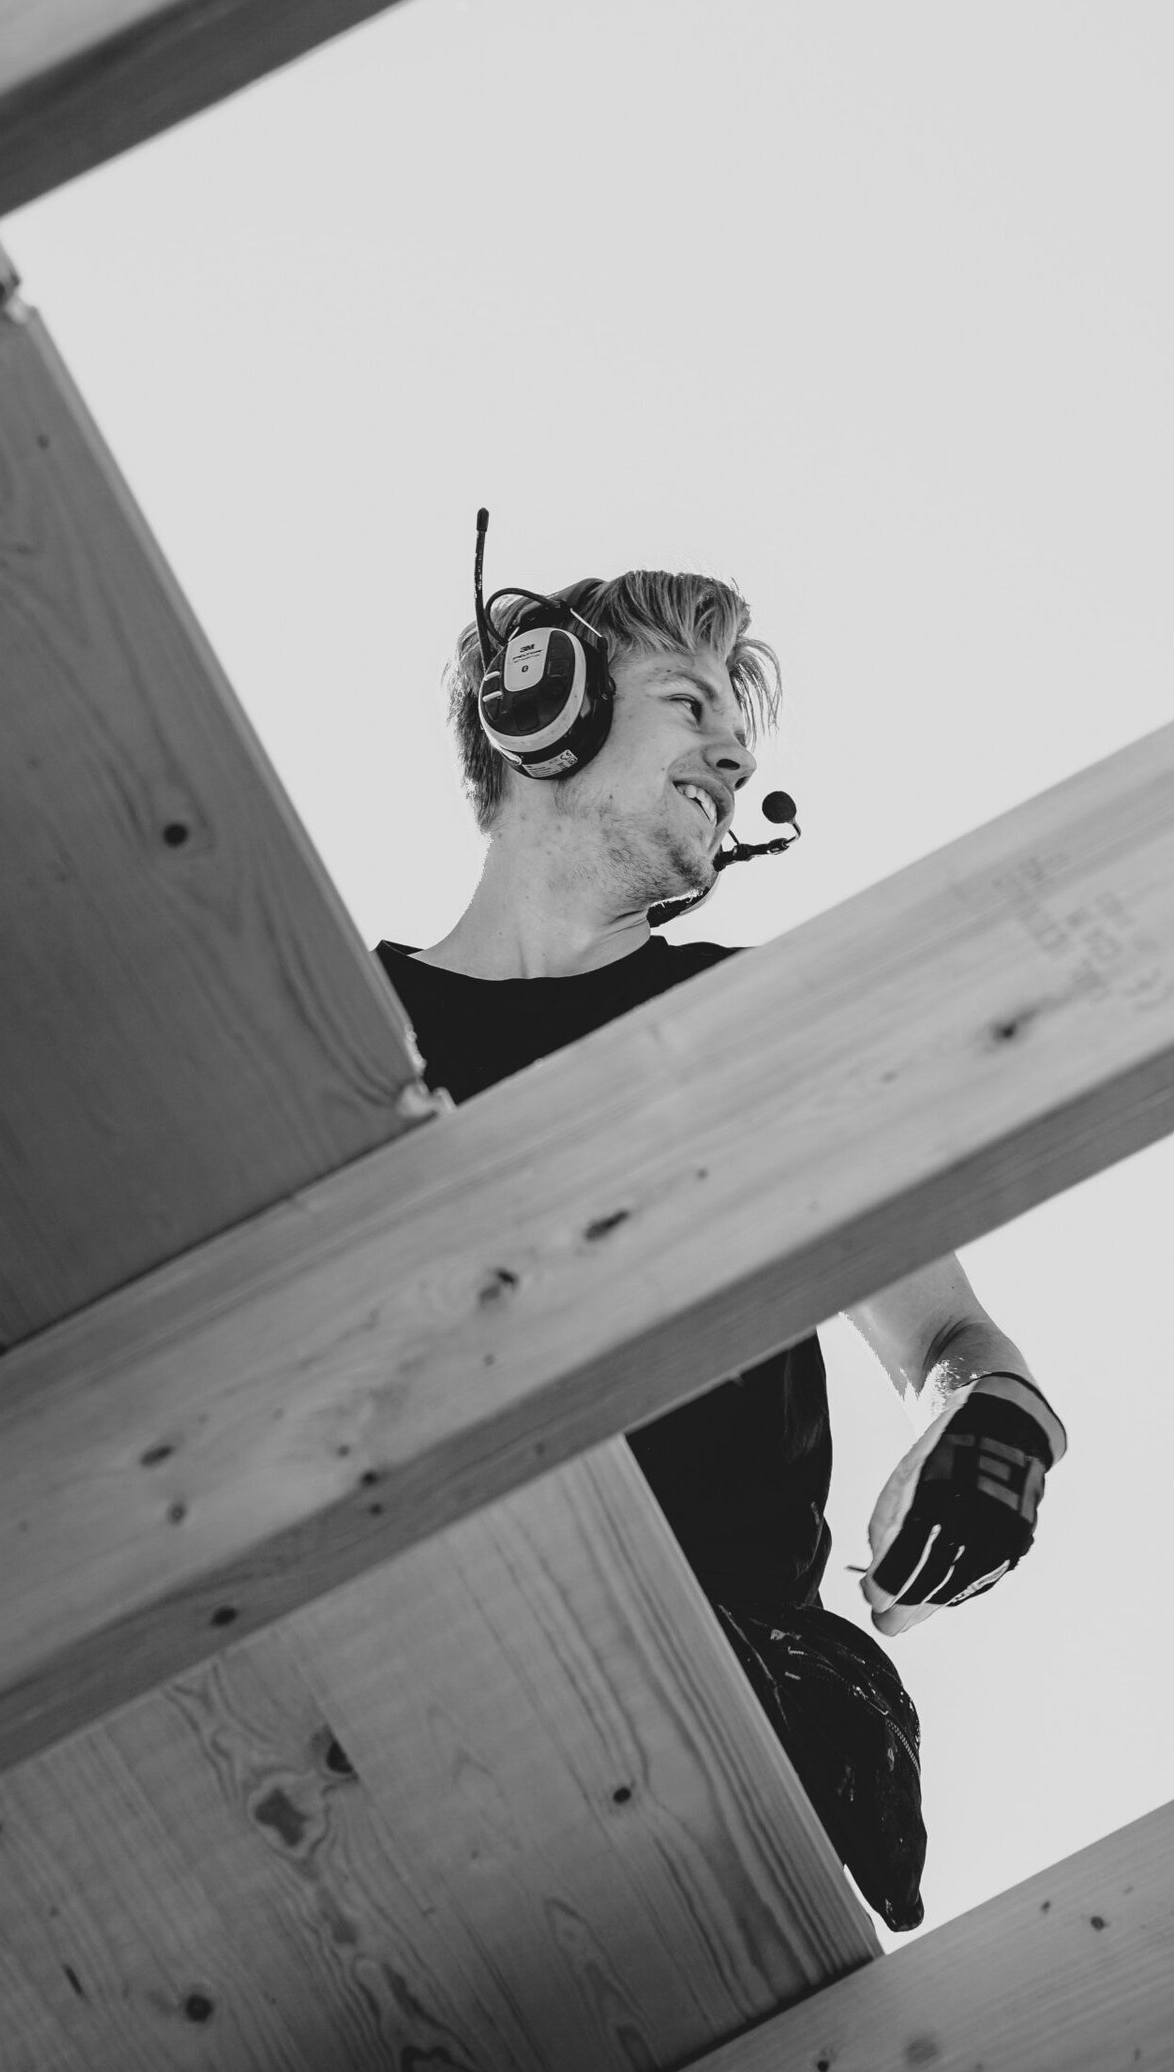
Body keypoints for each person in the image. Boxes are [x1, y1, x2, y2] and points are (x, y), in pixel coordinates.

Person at [374, 554, 1066, 1930]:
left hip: (739, 1697)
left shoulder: (749, 1026)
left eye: (739, 736)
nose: (735, 752)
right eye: (689, 700)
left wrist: (997, 1426)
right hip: (411, 1680)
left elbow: (950, 1341)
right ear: (543, 710)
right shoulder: (352, 1045)